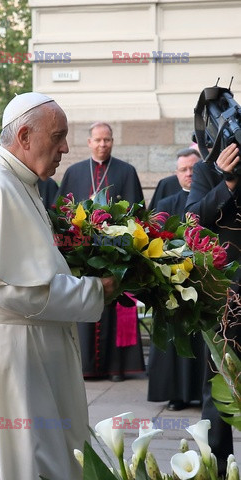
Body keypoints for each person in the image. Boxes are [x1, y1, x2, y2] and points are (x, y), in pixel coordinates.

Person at [0, 92, 117, 480]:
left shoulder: (16, 180)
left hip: (18, 350)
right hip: (1, 354)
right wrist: (96, 290)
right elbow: (15, 290)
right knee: (19, 462)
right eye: (58, 136)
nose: (65, 148)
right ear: (24, 136)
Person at [56, 122, 145, 381]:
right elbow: (63, 213)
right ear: (89, 142)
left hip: (115, 254)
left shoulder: (126, 171)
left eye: (107, 140)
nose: (102, 144)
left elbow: (136, 215)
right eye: (98, 140)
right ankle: (86, 367)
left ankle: (116, 367)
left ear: (113, 142)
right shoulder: (74, 172)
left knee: (114, 307)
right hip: (84, 254)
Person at [185, 142, 241, 475]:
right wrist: (227, 181)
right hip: (226, 297)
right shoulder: (207, 170)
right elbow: (191, 220)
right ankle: (218, 469)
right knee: (219, 387)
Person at [147, 148, 206, 411]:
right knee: (177, 338)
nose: (189, 174)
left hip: (205, 282)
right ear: (176, 173)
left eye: (193, 169)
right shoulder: (166, 204)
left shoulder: (210, 200)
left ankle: (203, 392)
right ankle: (177, 395)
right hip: (174, 280)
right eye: (183, 170)